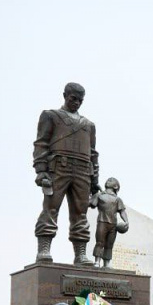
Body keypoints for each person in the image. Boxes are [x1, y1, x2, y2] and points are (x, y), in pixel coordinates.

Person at [33, 82, 100, 265]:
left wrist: (95, 182)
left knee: (81, 214)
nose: (76, 103)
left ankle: (80, 255)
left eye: (80, 100)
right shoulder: (51, 116)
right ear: (65, 95)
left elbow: (93, 153)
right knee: (51, 209)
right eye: (73, 99)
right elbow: (41, 143)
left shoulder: (88, 125)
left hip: (83, 171)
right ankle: (44, 250)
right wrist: (41, 170)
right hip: (58, 168)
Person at [90, 177, 129, 268]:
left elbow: (122, 211)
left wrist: (126, 221)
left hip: (113, 225)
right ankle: (97, 261)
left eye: (111, 180)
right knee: (100, 242)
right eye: (108, 180)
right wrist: (93, 193)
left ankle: (106, 263)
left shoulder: (117, 199)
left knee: (109, 244)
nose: (108, 180)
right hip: (102, 222)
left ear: (116, 186)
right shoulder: (99, 195)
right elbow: (91, 204)